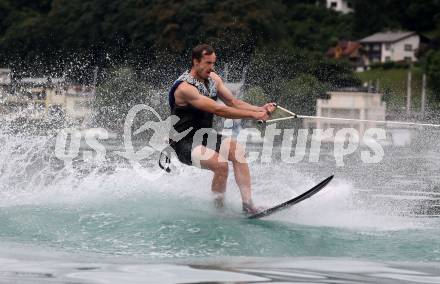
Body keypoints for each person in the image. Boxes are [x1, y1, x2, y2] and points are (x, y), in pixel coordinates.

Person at [168, 44, 276, 214]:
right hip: (184, 142)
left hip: (205, 136)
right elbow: (219, 110)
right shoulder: (185, 88)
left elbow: (233, 103)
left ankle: (248, 205)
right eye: (207, 63)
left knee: (237, 151)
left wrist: (260, 109)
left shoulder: (213, 80)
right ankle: (218, 212)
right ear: (195, 62)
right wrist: (253, 116)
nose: (211, 68)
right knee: (220, 164)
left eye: (213, 63)